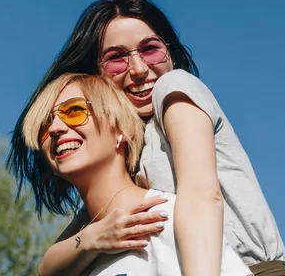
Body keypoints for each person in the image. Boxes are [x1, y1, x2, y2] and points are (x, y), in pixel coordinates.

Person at [8, 0, 285, 276]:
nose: (138, 69)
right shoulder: (127, 153)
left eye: (150, 49)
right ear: (99, 73)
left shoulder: (175, 89)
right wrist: (91, 239)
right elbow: (51, 264)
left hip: (250, 268)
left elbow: (201, 197)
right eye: (116, 58)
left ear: (170, 52)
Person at [22, 73, 253, 276]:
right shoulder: (77, 258)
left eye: (74, 111)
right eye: (44, 124)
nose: (54, 129)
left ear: (120, 131)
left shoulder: (166, 218)